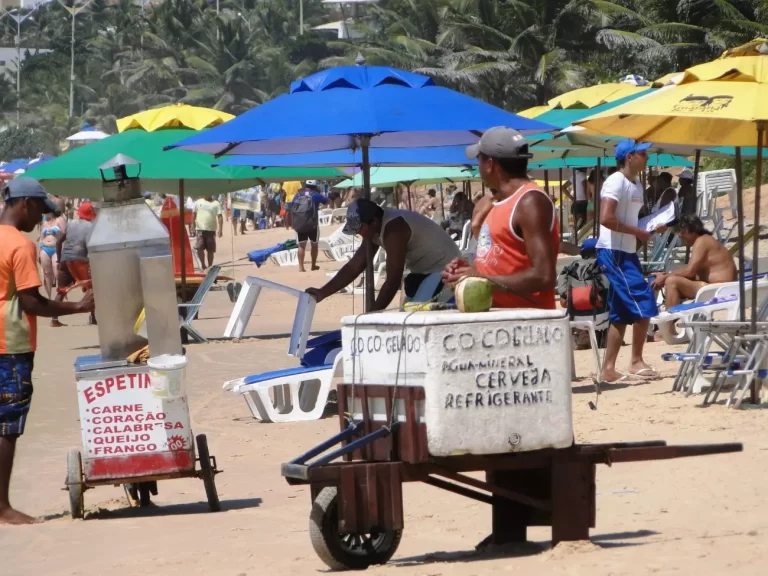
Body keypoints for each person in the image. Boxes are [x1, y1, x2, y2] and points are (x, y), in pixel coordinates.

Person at [0, 178, 94, 525]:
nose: (41, 218)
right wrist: (78, 309)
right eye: (40, 209)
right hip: (9, 343)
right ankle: (2, 507)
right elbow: (31, 302)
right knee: (7, 425)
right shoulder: (20, 246)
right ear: (24, 203)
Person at [442, 127, 560, 309]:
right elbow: (503, 262)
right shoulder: (499, 203)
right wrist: (467, 272)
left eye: (478, 160)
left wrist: (480, 278)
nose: (477, 166)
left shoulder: (529, 202)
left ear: (490, 164)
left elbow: (544, 276)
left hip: (527, 324)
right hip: (501, 322)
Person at [307, 198, 461, 309]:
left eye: (360, 229)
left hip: (445, 269)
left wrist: (374, 314)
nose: (360, 234)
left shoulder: (394, 228)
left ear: (374, 221)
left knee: (417, 314)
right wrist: (322, 292)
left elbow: (393, 279)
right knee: (407, 314)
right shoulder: (373, 228)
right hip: (422, 272)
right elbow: (355, 265)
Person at [596, 139, 661, 383]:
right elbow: (606, 218)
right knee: (645, 298)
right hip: (614, 252)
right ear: (629, 157)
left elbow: (632, 220)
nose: (647, 157)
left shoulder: (636, 185)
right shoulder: (615, 181)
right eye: (643, 154)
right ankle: (635, 361)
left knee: (622, 312)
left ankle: (608, 369)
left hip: (627, 251)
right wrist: (637, 232)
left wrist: (651, 226)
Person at [652, 215, 736, 308]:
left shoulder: (702, 241)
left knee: (672, 281)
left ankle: (669, 321)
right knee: (674, 279)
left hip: (718, 287)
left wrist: (665, 277)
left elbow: (689, 272)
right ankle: (673, 316)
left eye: (682, 232)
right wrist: (666, 275)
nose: (680, 235)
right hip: (721, 286)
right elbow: (692, 272)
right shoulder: (706, 239)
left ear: (688, 230)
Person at [53, 201, 97, 327]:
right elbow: (90, 246)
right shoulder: (90, 226)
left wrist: (59, 260)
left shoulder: (70, 223)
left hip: (66, 260)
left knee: (61, 290)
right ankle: (93, 317)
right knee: (91, 288)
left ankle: (54, 319)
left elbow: (59, 242)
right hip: (81, 260)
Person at [290, 181, 328, 272]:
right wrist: (320, 193)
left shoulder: (298, 194)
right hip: (313, 224)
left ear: (306, 186)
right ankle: (313, 265)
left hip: (300, 223)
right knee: (314, 245)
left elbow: (292, 206)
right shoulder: (316, 195)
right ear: (315, 186)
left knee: (301, 246)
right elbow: (326, 201)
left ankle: (301, 267)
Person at [38, 198, 66, 299]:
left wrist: (63, 249)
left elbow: (65, 235)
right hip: (44, 248)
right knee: (47, 273)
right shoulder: (44, 222)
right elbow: (41, 237)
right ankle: (48, 296)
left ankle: (60, 295)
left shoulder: (60, 220)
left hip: (56, 248)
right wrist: (39, 250)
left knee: (57, 271)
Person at [192, 195, 223, 270]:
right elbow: (194, 214)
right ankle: (203, 264)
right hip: (200, 229)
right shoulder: (198, 202)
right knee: (199, 248)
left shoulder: (216, 203)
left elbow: (220, 216)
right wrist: (192, 226)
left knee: (210, 250)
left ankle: (210, 266)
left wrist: (220, 229)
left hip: (211, 230)